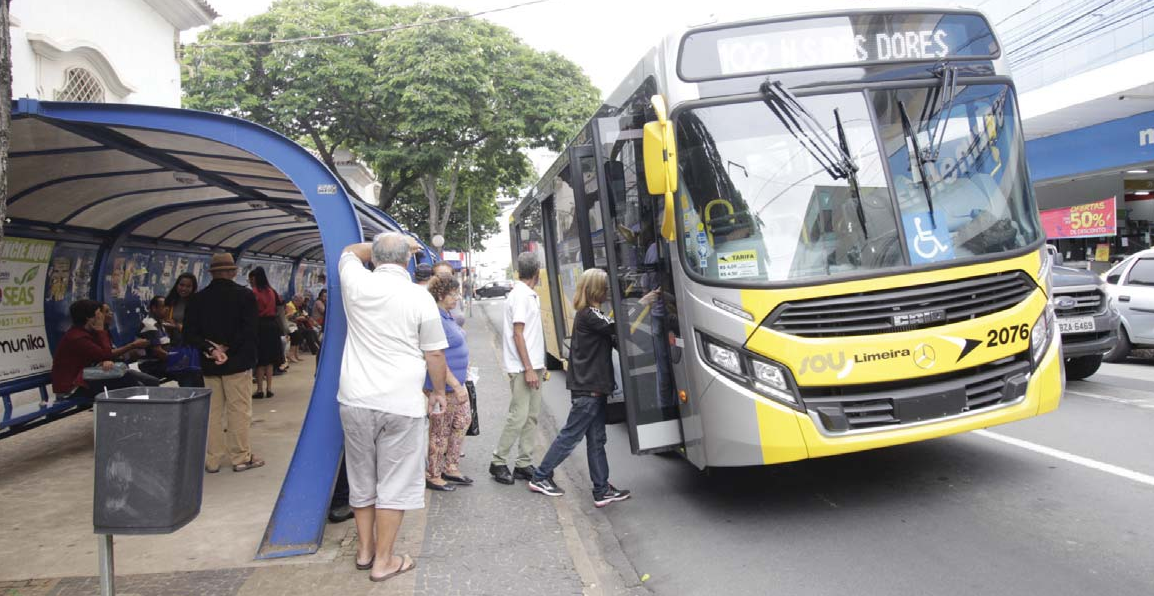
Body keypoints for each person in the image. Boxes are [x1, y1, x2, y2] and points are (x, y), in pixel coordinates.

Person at [338, 232, 448, 582]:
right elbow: (434, 352)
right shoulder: (419, 297)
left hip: (355, 398)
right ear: (407, 260)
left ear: (375, 258)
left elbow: (348, 252)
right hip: (401, 402)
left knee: (362, 478)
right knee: (395, 482)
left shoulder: (355, 281)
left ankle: (365, 551)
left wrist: (385, 248)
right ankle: (384, 560)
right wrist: (439, 392)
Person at [528, 269, 631, 507]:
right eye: (606, 286)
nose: (608, 291)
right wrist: (640, 303)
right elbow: (618, 328)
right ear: (598, 289)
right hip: (590, 390)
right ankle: (541, 476)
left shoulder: (589, 314)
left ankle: (602, 489)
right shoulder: (591, 315)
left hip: (592, 388)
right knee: (571, 436)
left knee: (596, 440)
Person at [183, 253, 264, 474]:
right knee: (238, 410)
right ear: (233, 272)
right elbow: (249, 330)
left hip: (209, 364)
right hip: (237, 363)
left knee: (213, 413)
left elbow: (189, 333)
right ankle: (240, 457)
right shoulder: (245, 296)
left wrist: (211, 349)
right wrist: (226, 348)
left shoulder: (198, 299)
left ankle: (213, 460)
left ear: (212, 273)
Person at [490, 251, 546, 485]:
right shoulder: (521, 296)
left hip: (532, 365)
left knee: (531, 416)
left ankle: (524, 462)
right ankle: (498, 461)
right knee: (519, 416)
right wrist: (529, 368)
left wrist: (539, 366)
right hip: (524, 367)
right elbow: (518, 333)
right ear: (537, 271)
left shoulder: (528, 295)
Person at [424, 274, 472, 492]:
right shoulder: (436, 319)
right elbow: (437, 356)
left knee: (462, 422)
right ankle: (433, 474)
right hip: (445, 386)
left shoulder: (447, 315)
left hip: (457, 384)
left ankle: (450, 466)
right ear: (441, 295)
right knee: (440, 431)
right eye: (453, 294)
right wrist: (456, 384)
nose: (457, 298)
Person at [50, 299, 150, 399]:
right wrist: (101, 331)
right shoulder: (77, 337)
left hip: (87, 378)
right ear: (89, 318)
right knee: (129, 381)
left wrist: (103, 360)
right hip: (73, 387)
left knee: (144, 379)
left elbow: (102, 354)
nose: (101, 317)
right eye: (99, 314)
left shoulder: (87, 333)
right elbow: (106, 354)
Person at [248, 267, 283, 399]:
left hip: (260, 326)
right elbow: (279, 307)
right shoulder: (272, 291)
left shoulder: (254, 293)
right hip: (272, 326)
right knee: (270, 361)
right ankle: (269, 389)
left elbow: (252, 312)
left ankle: (259, 389)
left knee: (260, 360)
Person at [163, 273, 198, 343]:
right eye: (181, 285)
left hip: (188, 344)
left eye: (188, 286)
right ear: (177, 285)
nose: (184, 288)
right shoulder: (170, 301)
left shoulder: (196, 304)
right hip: (170, 342)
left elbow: (196, 329)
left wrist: (177, 326)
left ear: (193, 288)